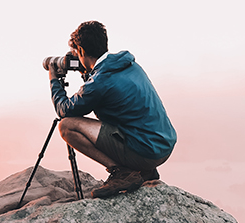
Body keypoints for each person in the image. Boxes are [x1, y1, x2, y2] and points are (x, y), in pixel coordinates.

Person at [47, 21, 176, 198]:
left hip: (146, 152)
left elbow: (64, 110)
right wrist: (87, 72)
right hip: (163, 145)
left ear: (82, 51)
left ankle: (122, 173)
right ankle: (144, 171)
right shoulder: (127, 64)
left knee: (66, 126)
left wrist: (54, 79)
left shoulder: (100, 82)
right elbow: (106, 92)